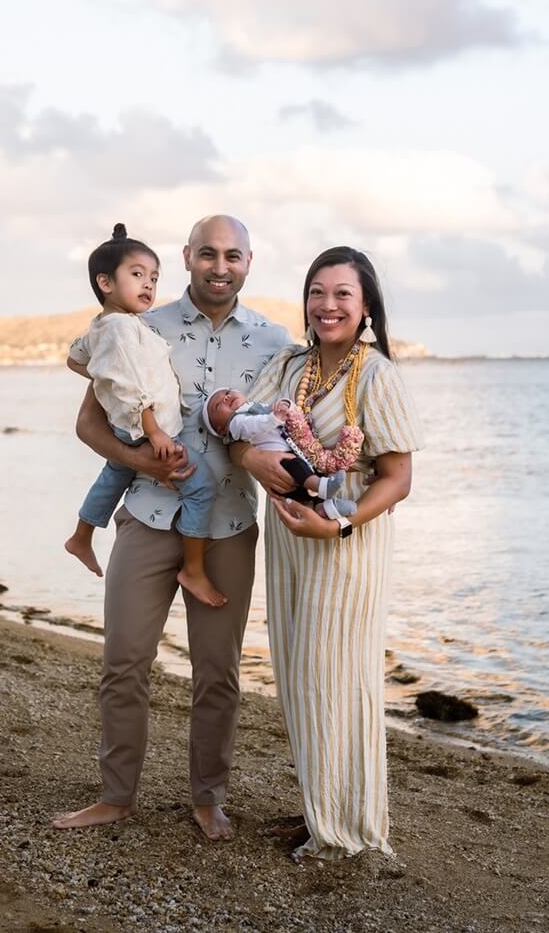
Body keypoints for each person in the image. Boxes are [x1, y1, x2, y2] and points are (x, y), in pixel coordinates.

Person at [52, 215, 291, 840]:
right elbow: (90, 425)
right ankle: (115, 795)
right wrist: (141, 460)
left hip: (229, 525)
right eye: (207, 253)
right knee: (123, 662)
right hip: (148, 519)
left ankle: (208, 798)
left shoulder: (275, 342)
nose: (219, 266)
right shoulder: (137, 326)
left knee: (219, 672)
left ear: (248, 262)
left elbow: (286, 430)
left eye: (232, 255)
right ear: (187, 257)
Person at [232, 246, 423, 860]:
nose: (328, 304)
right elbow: (238, 431)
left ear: (366, 306)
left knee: (340, 679)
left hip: (345, 548)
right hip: (290, 548)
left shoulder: (376, 375)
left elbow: (397, 478)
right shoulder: (291, 368)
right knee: (300, 680)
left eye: (343, 293)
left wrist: (337, 526)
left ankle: (350, 830)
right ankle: (324, 812)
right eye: (318, 291)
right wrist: (250, 458)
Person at [64, 223, 224, 608]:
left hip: (131, 429)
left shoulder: (107, 325)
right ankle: (194, 569)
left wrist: (105, 379)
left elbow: (75, 359)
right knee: (202, 487)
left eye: (153, 277)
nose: (148, 285)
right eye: (137, 275)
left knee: (115, 471)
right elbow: (136, 388)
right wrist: (155, 434)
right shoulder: (121, 330)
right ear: (105, 282)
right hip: (150, 430)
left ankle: (82, 536)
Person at [202, 388, 357, 519]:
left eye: (227, 392)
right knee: (298, 467)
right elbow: (253, 425)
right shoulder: (236, 423)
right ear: (221, 429)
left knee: (309, 471)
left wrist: (284, 405)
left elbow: (276, 409)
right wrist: (273, 418)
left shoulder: (255, 407)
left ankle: (326, 508)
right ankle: (320, 486)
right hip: (278, 466)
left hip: (289, 455)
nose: (226, 397)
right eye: (218, 405)